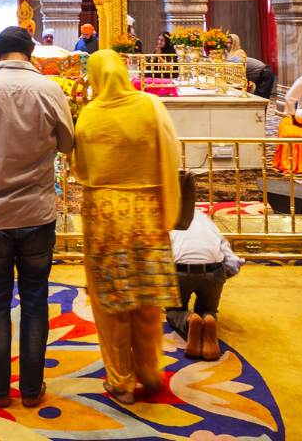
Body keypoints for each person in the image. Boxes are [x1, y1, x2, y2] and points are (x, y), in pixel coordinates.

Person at [0, 25, 75, 409]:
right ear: (31, 53)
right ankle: (33, 390)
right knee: (35, 299)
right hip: (37, 210)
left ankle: (0, 390)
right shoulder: (50, 89)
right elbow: (68, 143)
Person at [73, 50, 180, 405]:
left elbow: (80, 168)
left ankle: (121, 380)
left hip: (104, 217)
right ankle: (150, 371)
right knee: (147, 298)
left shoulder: (89, 115)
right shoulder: (150, 106)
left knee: (112, 302)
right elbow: (171, 154)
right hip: (147, 213)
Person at [166, 204, 242, 361]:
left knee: (174, 310)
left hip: (181, 270)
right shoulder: (205, 219)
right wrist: (224, 275)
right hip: (214, 270)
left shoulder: (168, 218)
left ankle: (189, 320)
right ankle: (209, 318)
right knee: (208, 308)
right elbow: (230, 256)